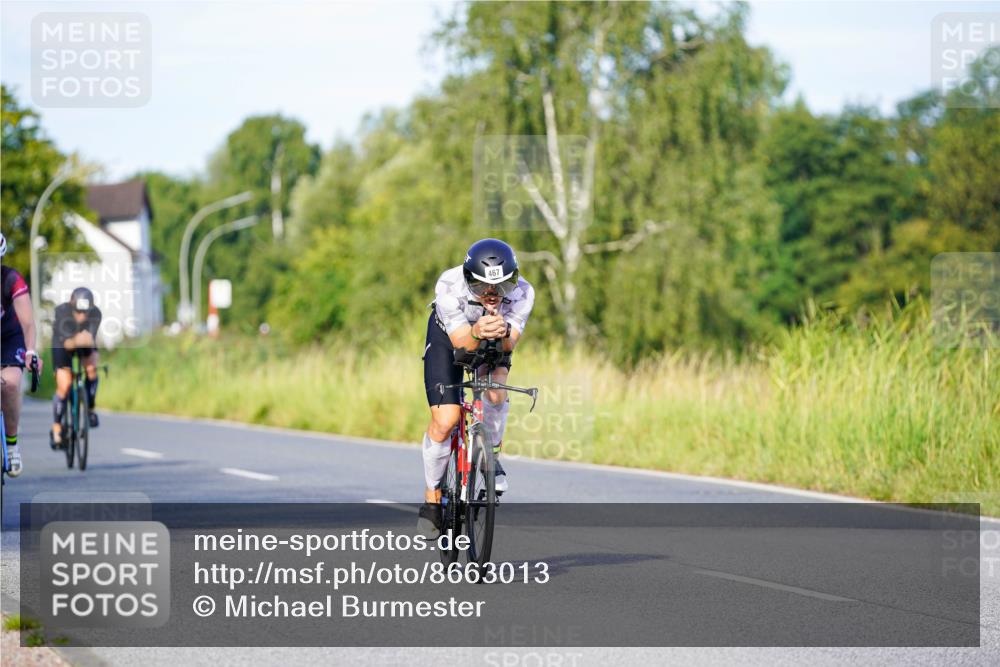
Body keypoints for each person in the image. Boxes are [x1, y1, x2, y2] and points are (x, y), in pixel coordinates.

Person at [417, 238, 535, 537]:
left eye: (502, 286)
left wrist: (502, 333)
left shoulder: (524, 292)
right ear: (469, 279)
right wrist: (477, 331)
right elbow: (462, 344)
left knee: (495, 392)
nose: (492, 294)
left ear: (513, 279)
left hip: (494, 337)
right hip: (450, 338)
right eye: (482, 287)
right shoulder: (449, 285)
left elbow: (509, 344)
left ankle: (490, 457)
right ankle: (432, 496)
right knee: (446, 420)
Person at [0, 232, 41, 477]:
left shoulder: (11, 279)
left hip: (9, 337)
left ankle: (12, 444)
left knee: (11, 383)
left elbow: (27, 323)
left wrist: (31, 351)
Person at [51, 286, 102, 448]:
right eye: (78, 312)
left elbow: (90, 340)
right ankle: (57, 428)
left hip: (81, 343)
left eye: (85, 312)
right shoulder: (62, 312)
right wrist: (80, 339)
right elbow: (67, 343)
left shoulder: (96, 314)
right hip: (62, 344)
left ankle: (90, 408)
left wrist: (85, 341)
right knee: (65, 384)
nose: (82, 316)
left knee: (92, 368)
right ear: (72, 307)